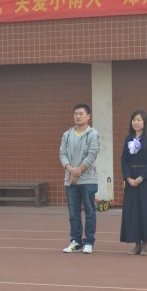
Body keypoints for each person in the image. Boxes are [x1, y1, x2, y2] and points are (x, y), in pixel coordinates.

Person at [59, 103, 100, 254]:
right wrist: (70, 170)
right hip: (70, 180)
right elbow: (62, 153)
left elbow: (92, 154)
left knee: (90, 212)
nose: (78, 116)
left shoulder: (93, 134)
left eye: (81, 113)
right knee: (74, 213)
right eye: (75, 113)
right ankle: (75, 241)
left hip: (88, 180)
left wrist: (77, 172)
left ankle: (88, 242)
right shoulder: (67, 134)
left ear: (88, 116)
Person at [120, 110, 147, 255]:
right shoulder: (128, 138)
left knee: (145, 211)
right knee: (132, 212)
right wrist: (128, 178)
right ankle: (136, 244)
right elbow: (123, 160)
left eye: (138, 120)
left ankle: (145, 244)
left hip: (145, 179)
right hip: (130, 179)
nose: (136, 122)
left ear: (145, 122)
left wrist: (141, 177)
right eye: (133, 120)